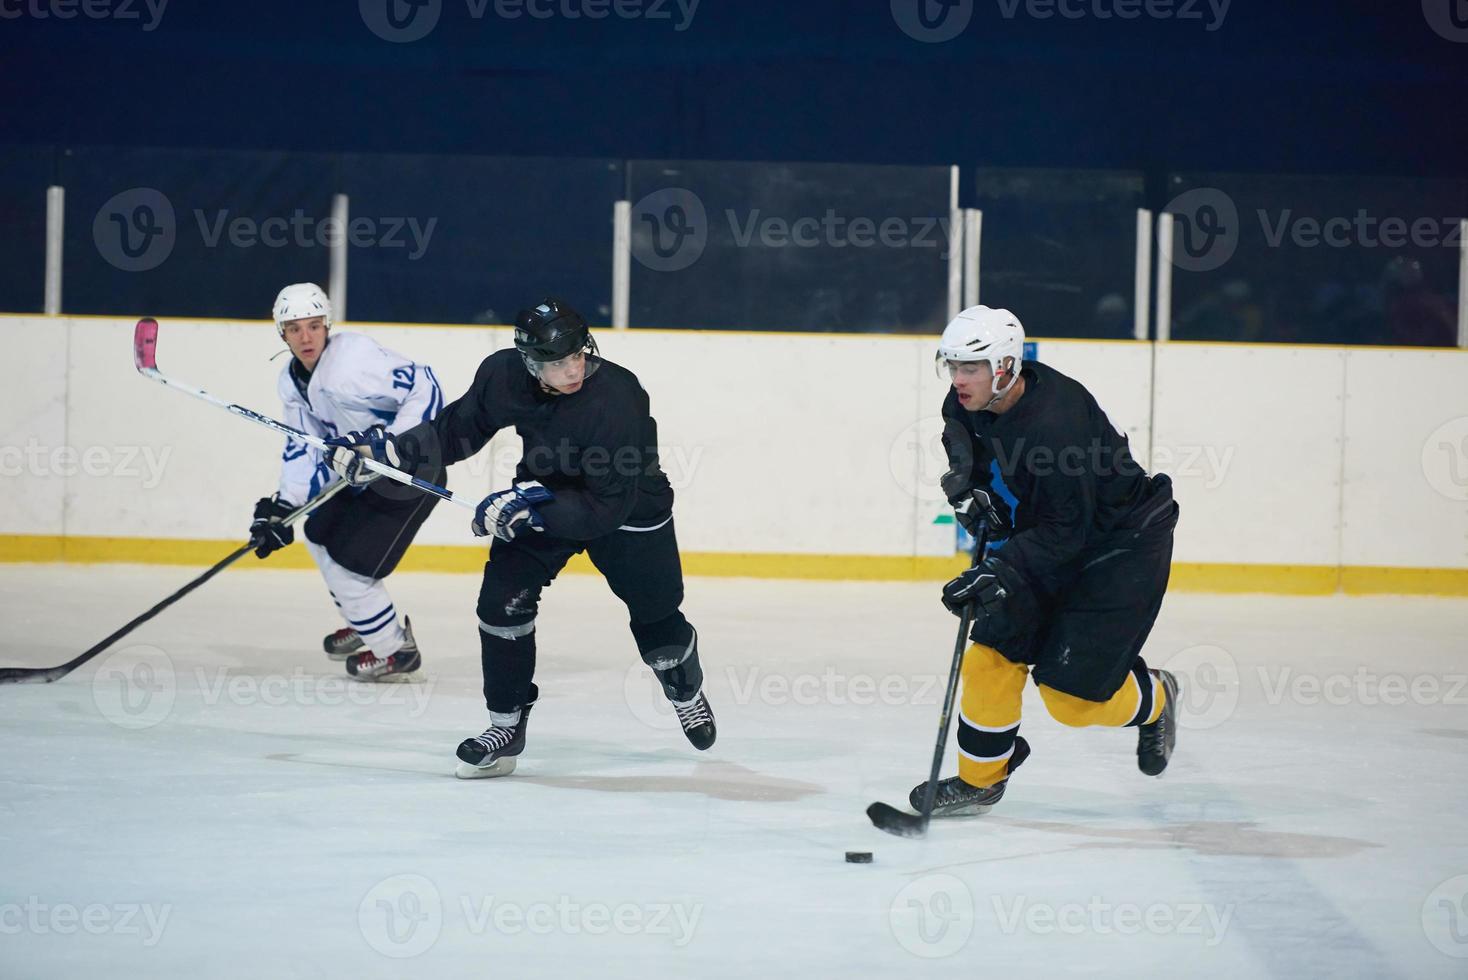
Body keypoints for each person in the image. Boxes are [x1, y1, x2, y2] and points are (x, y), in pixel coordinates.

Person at [349, 297, 714, 777]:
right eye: (557, 363)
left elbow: (606, 507)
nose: (573, 370)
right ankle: (505, 726)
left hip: (628, 507)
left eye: (578, 355)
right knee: (501, 606)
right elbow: (458, 428)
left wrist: (531, 509)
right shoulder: (504, 376)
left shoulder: (618, 399)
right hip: (545, 493)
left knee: (658, 620)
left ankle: (684, 690)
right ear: (528, 361)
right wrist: (395, 453)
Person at [915, 305, 1182, 816]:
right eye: (952, 367)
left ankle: (1156, 698)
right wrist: (969, 493)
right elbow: (963, 447)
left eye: (970, 368)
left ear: (1006, 368)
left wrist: (1000, 569)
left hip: (1119, 545)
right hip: (1050, 534)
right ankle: (980, 782)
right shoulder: (967, 400)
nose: (958, 380)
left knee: (1073, 701)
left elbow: (1068, 532)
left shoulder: (1057, 422)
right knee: (989, 658)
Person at [246, 282, 446, 680]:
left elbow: (426, 384)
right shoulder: (291, 382)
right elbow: (304, 448)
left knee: (348, 568)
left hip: (409, 472)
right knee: (317, 532)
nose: (305, 337)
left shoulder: (352, 361)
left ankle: (395, 650)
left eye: (314, 326)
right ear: (280, 333)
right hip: (362, 474)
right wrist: (284, 507)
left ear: (328, 326)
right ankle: (366, 618)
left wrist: (396, 444)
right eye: (294, 328)